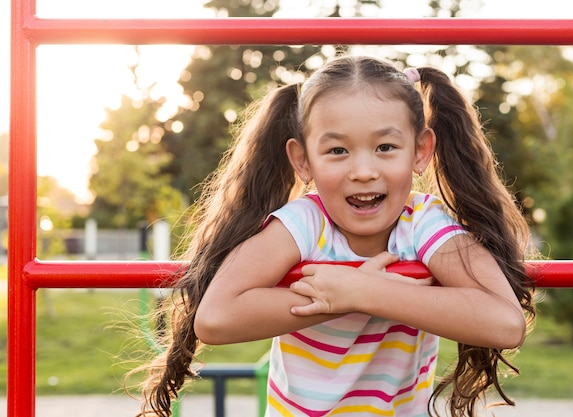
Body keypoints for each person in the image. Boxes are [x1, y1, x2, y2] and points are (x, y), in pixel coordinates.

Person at [131, 55, 535, 417]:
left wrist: (363, 291)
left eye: (385, 147)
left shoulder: (422, 222)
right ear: (303, 161)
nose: (363, 170)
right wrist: (338, 298)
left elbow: (504, 323)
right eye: (338, 151)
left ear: (420, 151)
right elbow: (216, 319)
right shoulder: (304, 223)